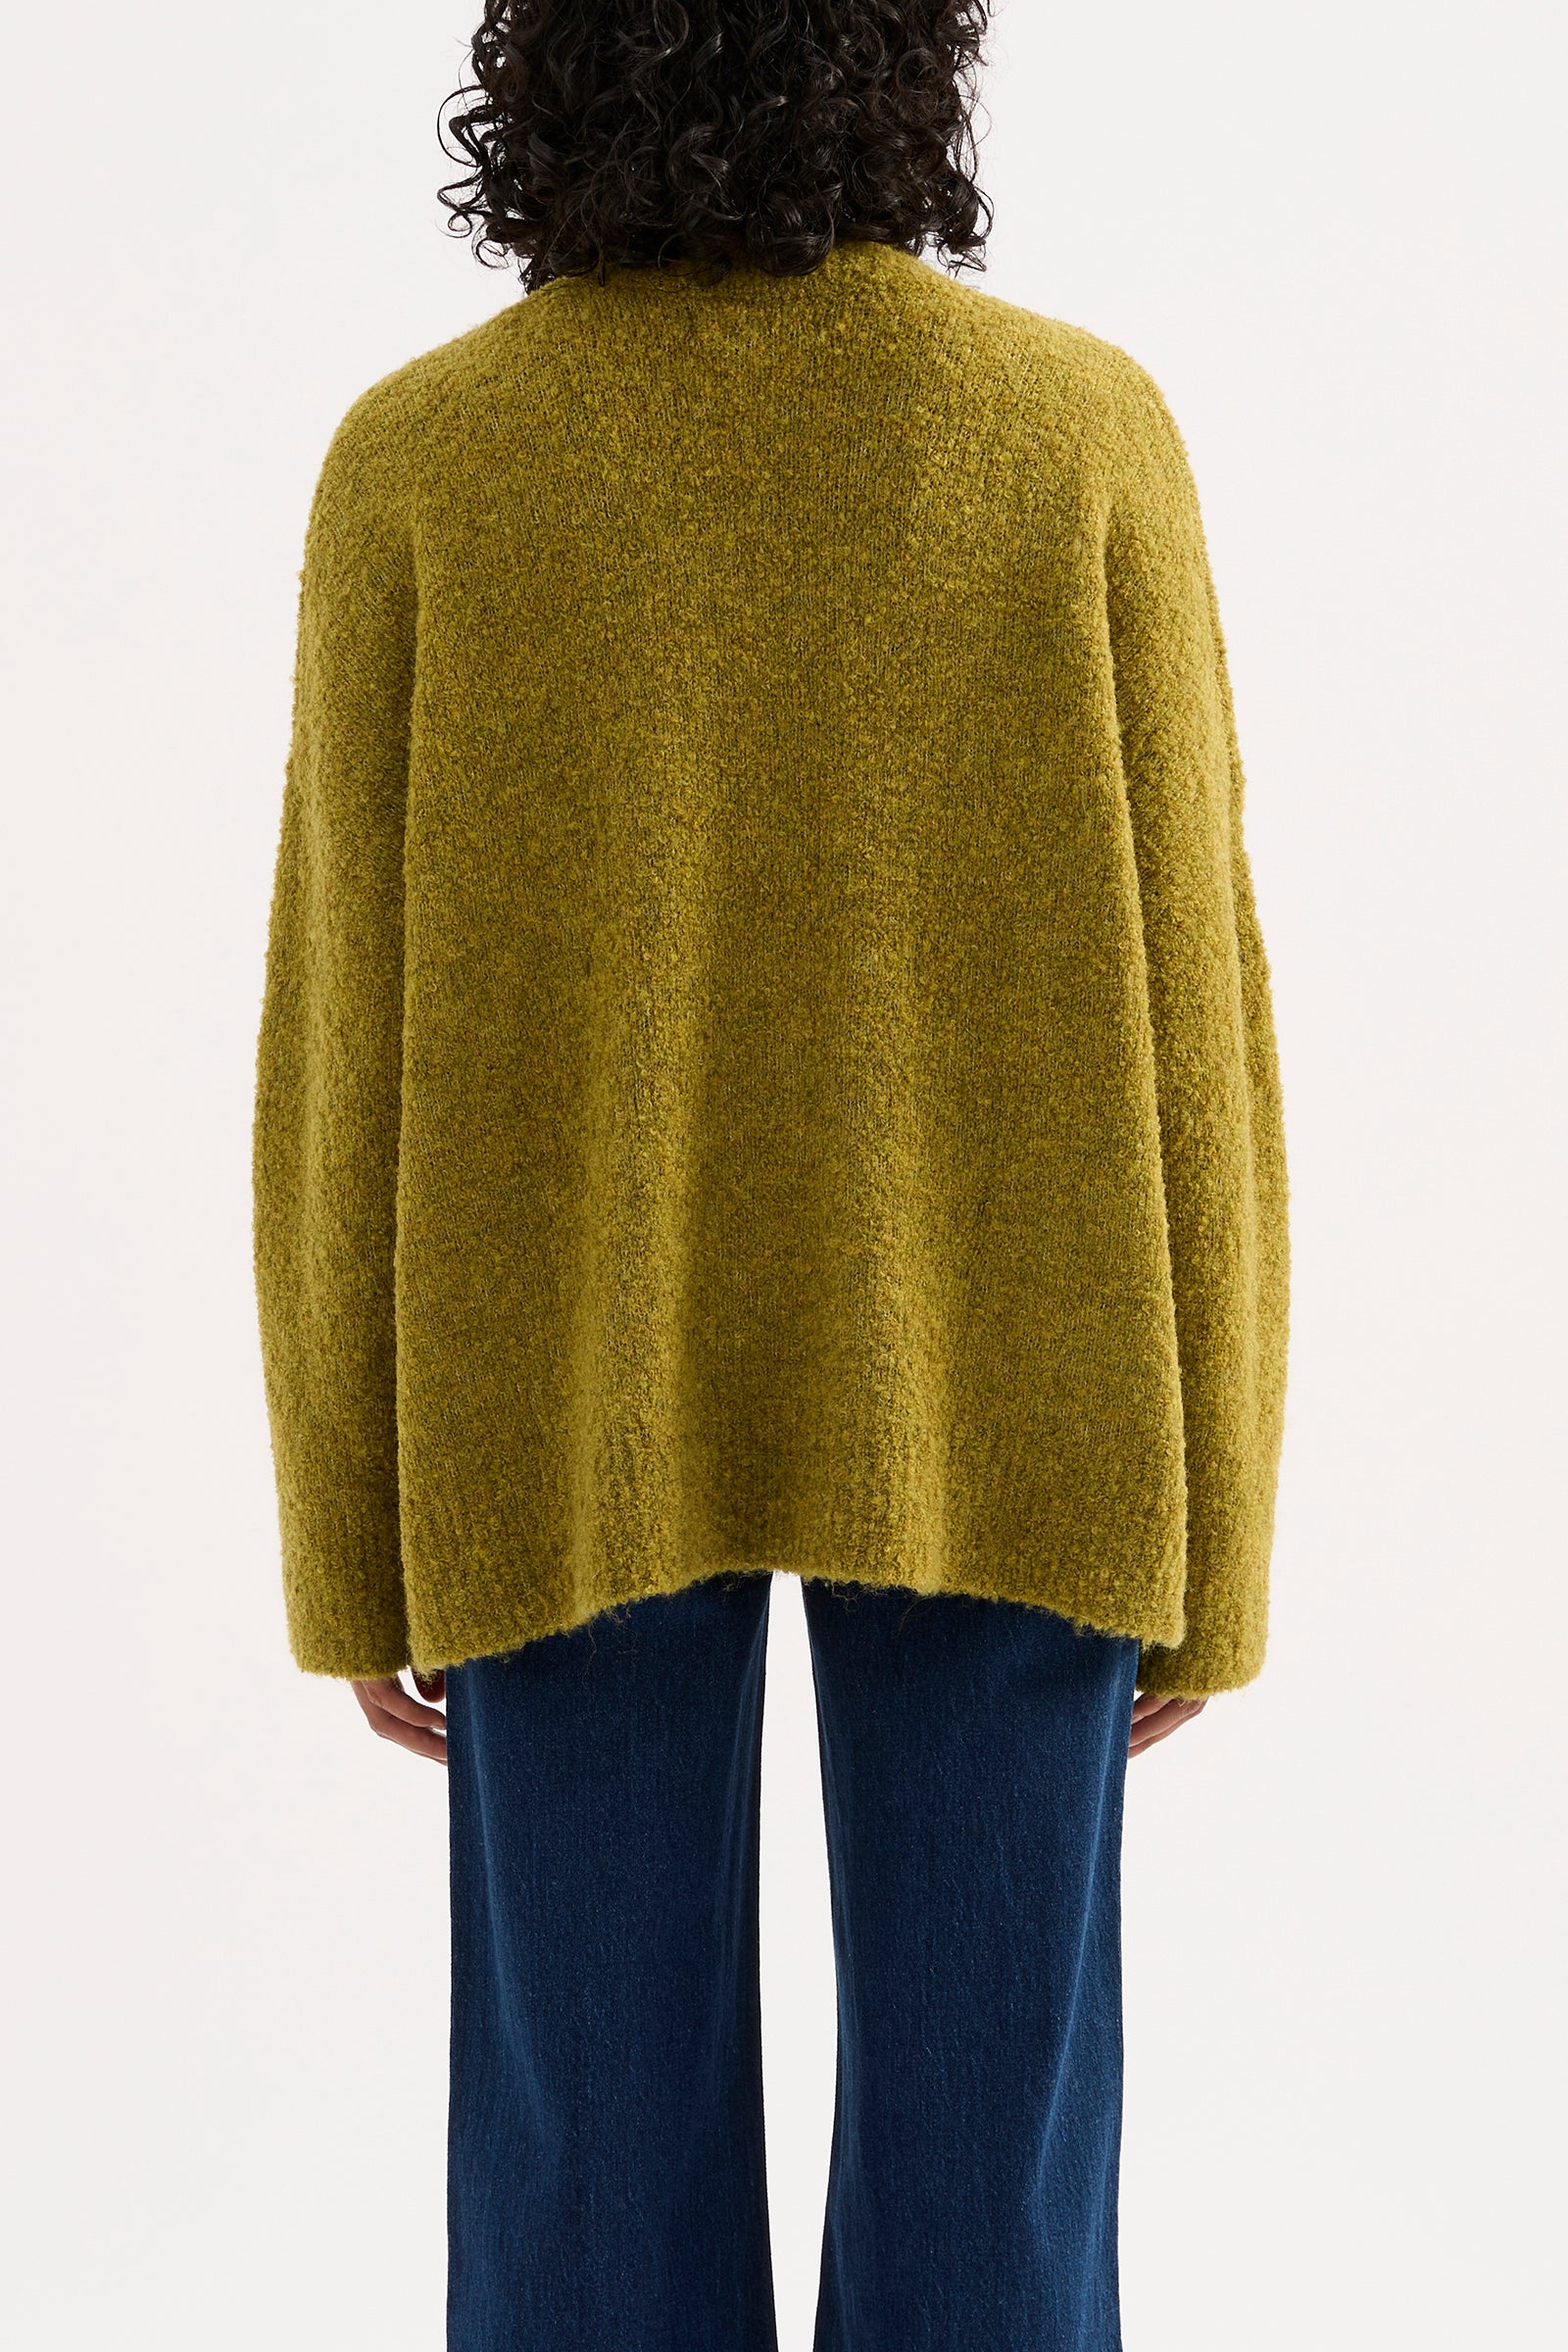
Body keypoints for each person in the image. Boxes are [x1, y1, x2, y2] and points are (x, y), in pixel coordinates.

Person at [252, 4, 1289, 2345]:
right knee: (994, 2200)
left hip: (551, 1414)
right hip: (1023, 1403)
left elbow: (339, 1048)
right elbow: (1197, 1027)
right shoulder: (1075, 436)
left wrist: (350, 1525)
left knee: (581, 2203)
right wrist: (1214, 1538)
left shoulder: (422, 464)